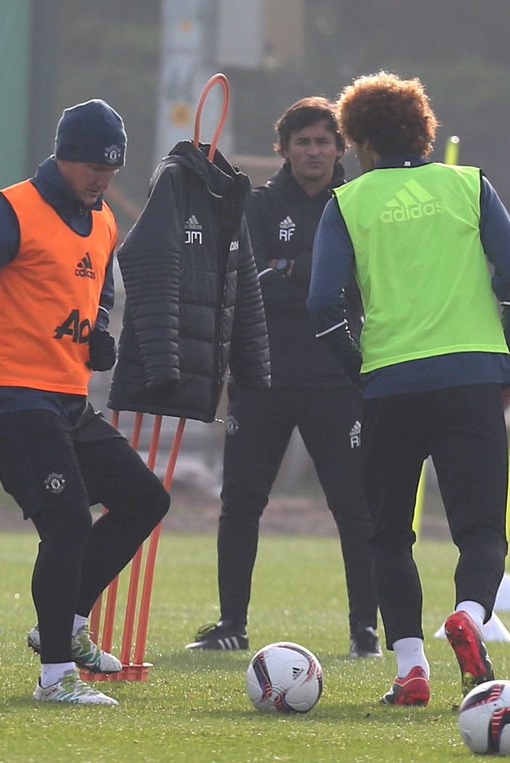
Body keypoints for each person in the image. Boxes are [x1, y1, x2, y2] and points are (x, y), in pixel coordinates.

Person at [0, 99, 170, 706]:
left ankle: (66, 624)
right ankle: (56, 676)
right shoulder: (12, 210)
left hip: (67, 399)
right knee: (66, 526)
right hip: (10, 397)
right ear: (64, 157)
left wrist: (100, 332)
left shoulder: (103, 218)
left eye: (112, 169)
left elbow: (99, 291)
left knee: (145, 499)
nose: (103, 179)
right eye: (94, 167)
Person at [307, 72, 510, 706]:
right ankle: (469, 614)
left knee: (387, 535)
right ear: (423, 132)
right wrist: (506, 364)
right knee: (481, 530)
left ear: (358, 140)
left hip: (390, 386)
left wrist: (361, 372)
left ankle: (411, 668)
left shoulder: (346, 203)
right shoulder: (469, 184)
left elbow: (323, 307)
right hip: (472, 379)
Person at [186, 97, 380, 658]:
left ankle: (365, 630)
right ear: (284, 149)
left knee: (354, 506)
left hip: (337, 377)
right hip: (261, 373)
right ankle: (231, 624)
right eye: (303, 142)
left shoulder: (358, 205)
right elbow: (246, 279)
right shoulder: (259, 204)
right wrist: (315, 276)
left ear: (341, 149)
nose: (313, 152)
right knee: (241, 502)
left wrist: (289, 268)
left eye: (323, 142)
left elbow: (363, 283)